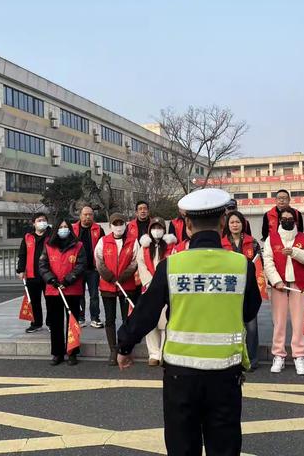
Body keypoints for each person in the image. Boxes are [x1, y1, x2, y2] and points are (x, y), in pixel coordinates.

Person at [117, 188, 261, 456]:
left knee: (183, 447)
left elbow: (146, 311)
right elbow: (251, 309)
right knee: (225, 447)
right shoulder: (242, 265)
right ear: (222, 223)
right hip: (225, 373)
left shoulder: (172, 265)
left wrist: (124, 346)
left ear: (188, 225)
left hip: (180, 375)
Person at [263, 207, 304, 375]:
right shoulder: (271, 239)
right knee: (279, 322)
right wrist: (276, 280)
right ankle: (279, 354)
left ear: (295, 221)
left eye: (290, 218)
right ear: (279, 221)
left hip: (298, 284)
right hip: (279, 285)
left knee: (299, 322)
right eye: (283, 218)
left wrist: (294, 252)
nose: (287, 221)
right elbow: (268, 261)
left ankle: (299, 355)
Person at [39, 219, 86, 366]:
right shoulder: (48, 245)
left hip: (72, 288)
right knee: (56, 322)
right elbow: (42, 265)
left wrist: (68, 280)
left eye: (66, 227)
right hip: (53, 290)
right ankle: (57, 352)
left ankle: (72, 352)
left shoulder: (78, 246)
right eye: (61, 227)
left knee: (72, 322)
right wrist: (52, 280)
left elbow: (80, 265)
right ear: (56, 229)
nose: (63, 229)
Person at [94, 213, 138, 366]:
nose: (118, 226)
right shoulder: (103, 241)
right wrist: (111, 278)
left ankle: (125, 347)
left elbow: (135, 262)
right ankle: (113, 350)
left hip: (127, 285)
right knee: (110, 319)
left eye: (121, 223)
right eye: (115, 223)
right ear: (110, 226)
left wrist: (123, 277)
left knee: (127, 319)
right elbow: (99, 261)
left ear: (125, 224)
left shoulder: (133, 241)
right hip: (108, 286)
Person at [221, 210, 260, 371]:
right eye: (232, 222)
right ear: (227, 225)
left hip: (249, 290)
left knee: (251, 326)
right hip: (229, 290)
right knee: (230, 326)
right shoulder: (221, 243)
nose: (235, 225)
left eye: (238, 222)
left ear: (243, 224)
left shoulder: (253, 242)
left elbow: (259, 265)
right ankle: (232, 359)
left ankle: (251, 359)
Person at [137, 217, 177, 366]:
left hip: (166, 289)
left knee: (166, 321)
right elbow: (140, 264)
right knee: (150, 323)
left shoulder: (172, 247)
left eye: (159, 227)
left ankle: (163, 352)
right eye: (154, 227)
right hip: (149, 288)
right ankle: (153, 354)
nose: (157, 230)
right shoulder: (144, 247)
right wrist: (149, 282)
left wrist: (163, 283)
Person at [16, 212, 52, 333]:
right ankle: (36, 323)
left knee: (50, 301)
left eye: (44, 220)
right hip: (32, 274)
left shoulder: (52, 236)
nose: (42, 222)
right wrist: (20, 270)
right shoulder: (28, 237)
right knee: (34, 301)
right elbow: (22, 254)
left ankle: (51, 323)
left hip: (49, 274)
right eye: (39, 220)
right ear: (34, 223)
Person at [72, 206, 105, 329]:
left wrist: (100, 265)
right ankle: (80, 318)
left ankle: (95, 318)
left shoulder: (98, 229)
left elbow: (103, 247)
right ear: (80, 215)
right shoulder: (73, 229)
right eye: (85, 214)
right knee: (78, 294)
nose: (88, 217)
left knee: (94, 295)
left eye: (90, 214)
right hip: (78, 268)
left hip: (93, 269)